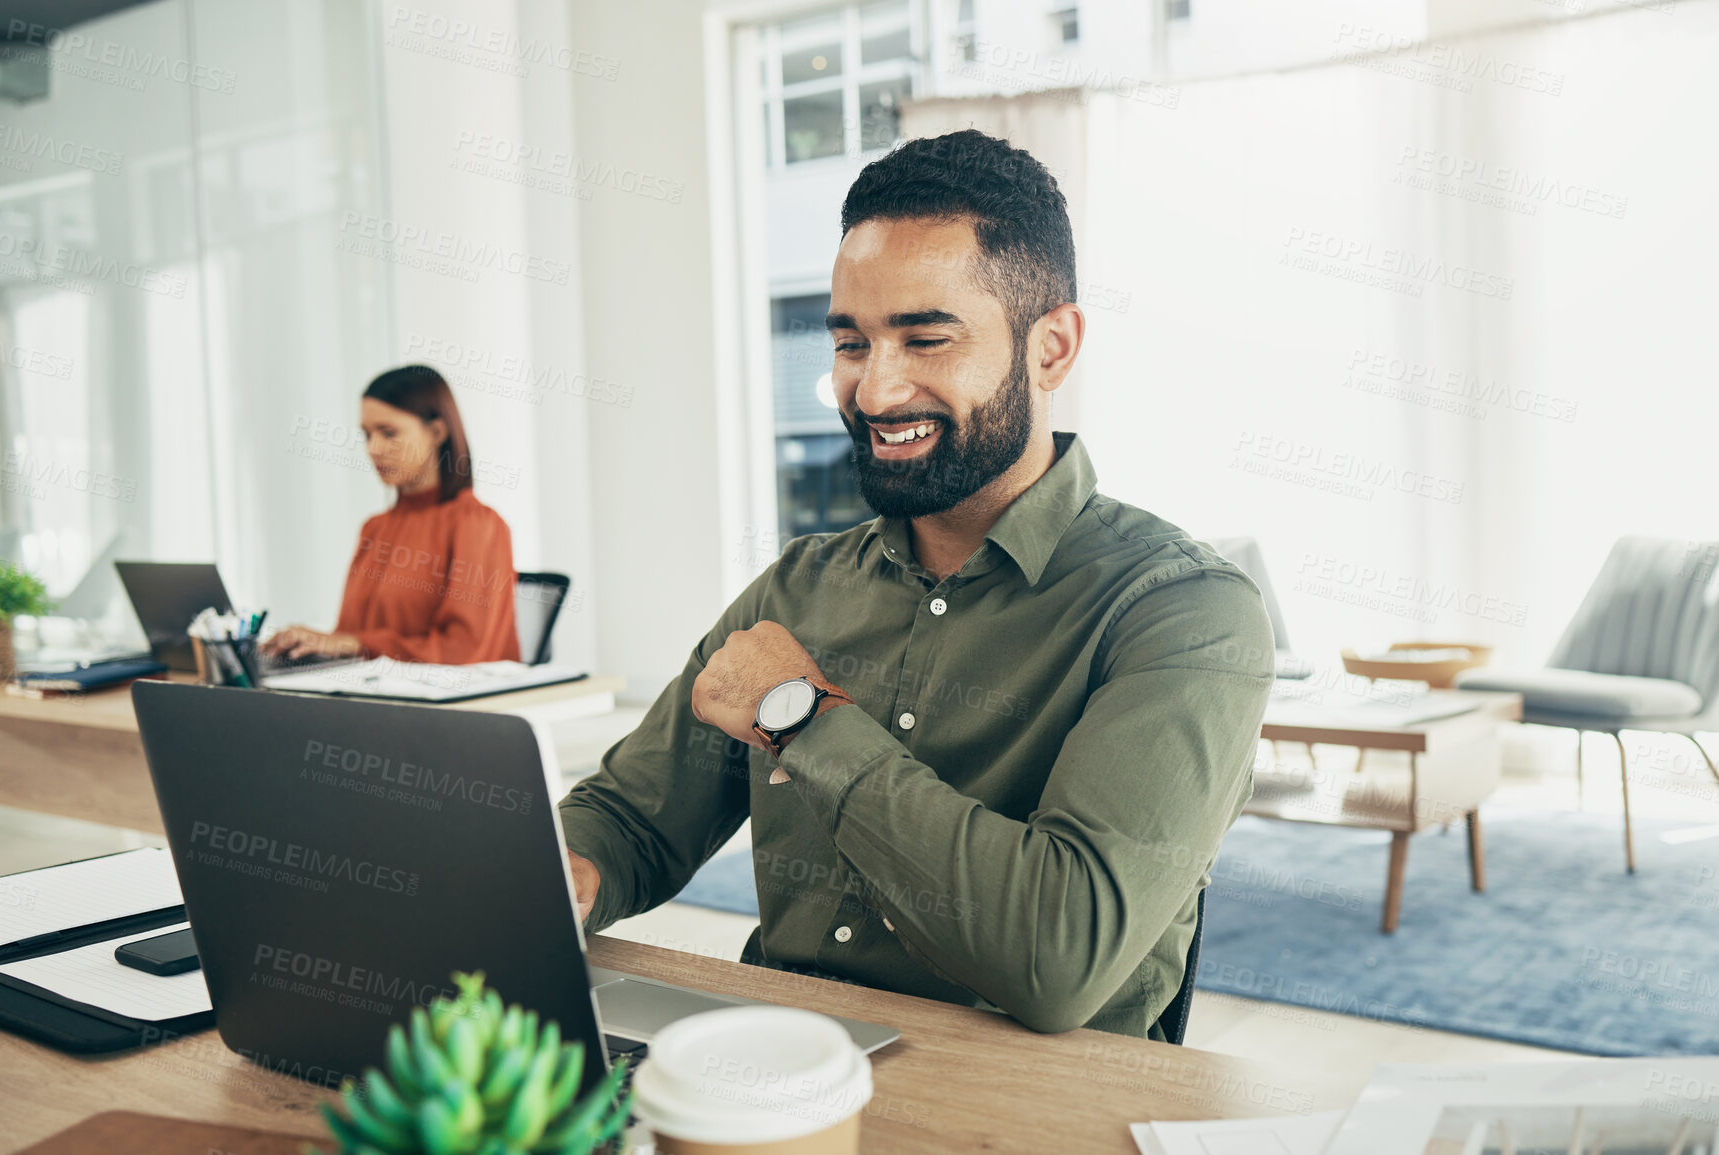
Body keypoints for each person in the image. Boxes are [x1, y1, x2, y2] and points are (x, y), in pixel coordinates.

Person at [559, 130, 1274, 1039]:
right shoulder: (799, 588)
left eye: (925, 338)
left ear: (1050, 349)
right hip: (778, 1071)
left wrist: (799, 714)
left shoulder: (1183, 612)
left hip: (1022, 1110)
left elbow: (1057, 960)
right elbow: (630, 818)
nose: (874, 389)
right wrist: (571, 867)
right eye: (851, 342)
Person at [263, 366, 521, 666]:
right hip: (375, 698)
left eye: (389, 433)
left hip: (448, 707)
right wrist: (312, 644)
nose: (373, 449)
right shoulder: (375, 529)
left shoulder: (479, 525)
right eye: (367, 435)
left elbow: (463, 651)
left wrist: (352, 644)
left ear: (437, 432)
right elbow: (351, 639)